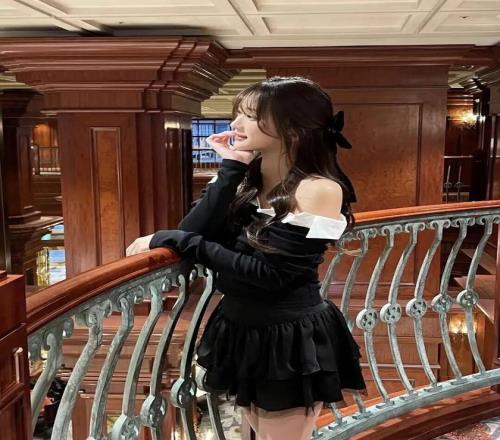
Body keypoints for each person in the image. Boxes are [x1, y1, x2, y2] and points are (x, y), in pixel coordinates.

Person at [127, 76, 367, 440]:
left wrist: (173, 239)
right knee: (257, 430)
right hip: (241, 326)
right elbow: (195, 228)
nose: (236, 124)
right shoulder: (249, 179)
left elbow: (269, 275)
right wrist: (231, 168)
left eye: (250, 116)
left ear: (292, 128)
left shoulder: (320, 189)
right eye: (238, 113)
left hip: (287, 337)